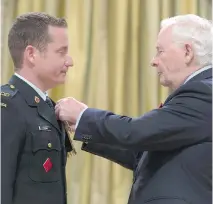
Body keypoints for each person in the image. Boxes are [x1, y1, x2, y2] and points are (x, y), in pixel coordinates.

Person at [55, 14, 212, 204]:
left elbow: (138, 131)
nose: (154, 61)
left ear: (187, 52)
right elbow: (142, 154)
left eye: (160, 51)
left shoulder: (203, 92)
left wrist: (83, 116)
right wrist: (82, 128)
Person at [1, 12, 74, 204]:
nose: (70, 61)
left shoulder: (48, 107)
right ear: (31, 54)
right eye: (61, 52)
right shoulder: (7, 107)